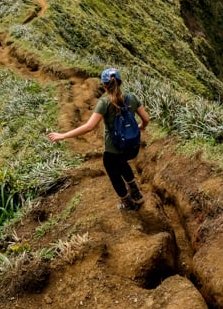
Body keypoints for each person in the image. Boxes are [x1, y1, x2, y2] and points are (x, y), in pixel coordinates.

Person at [47, 68, 151, 211]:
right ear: (120, 82)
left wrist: (63, 135)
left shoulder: (105, 102)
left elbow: (89, 127)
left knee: (114, 173)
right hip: (131, 145)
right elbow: (146, 119)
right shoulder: (132, 98)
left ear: (103, 85)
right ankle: (136, 193)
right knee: (123, 163)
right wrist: (141, 126)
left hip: (113, 148)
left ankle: (128, 203)